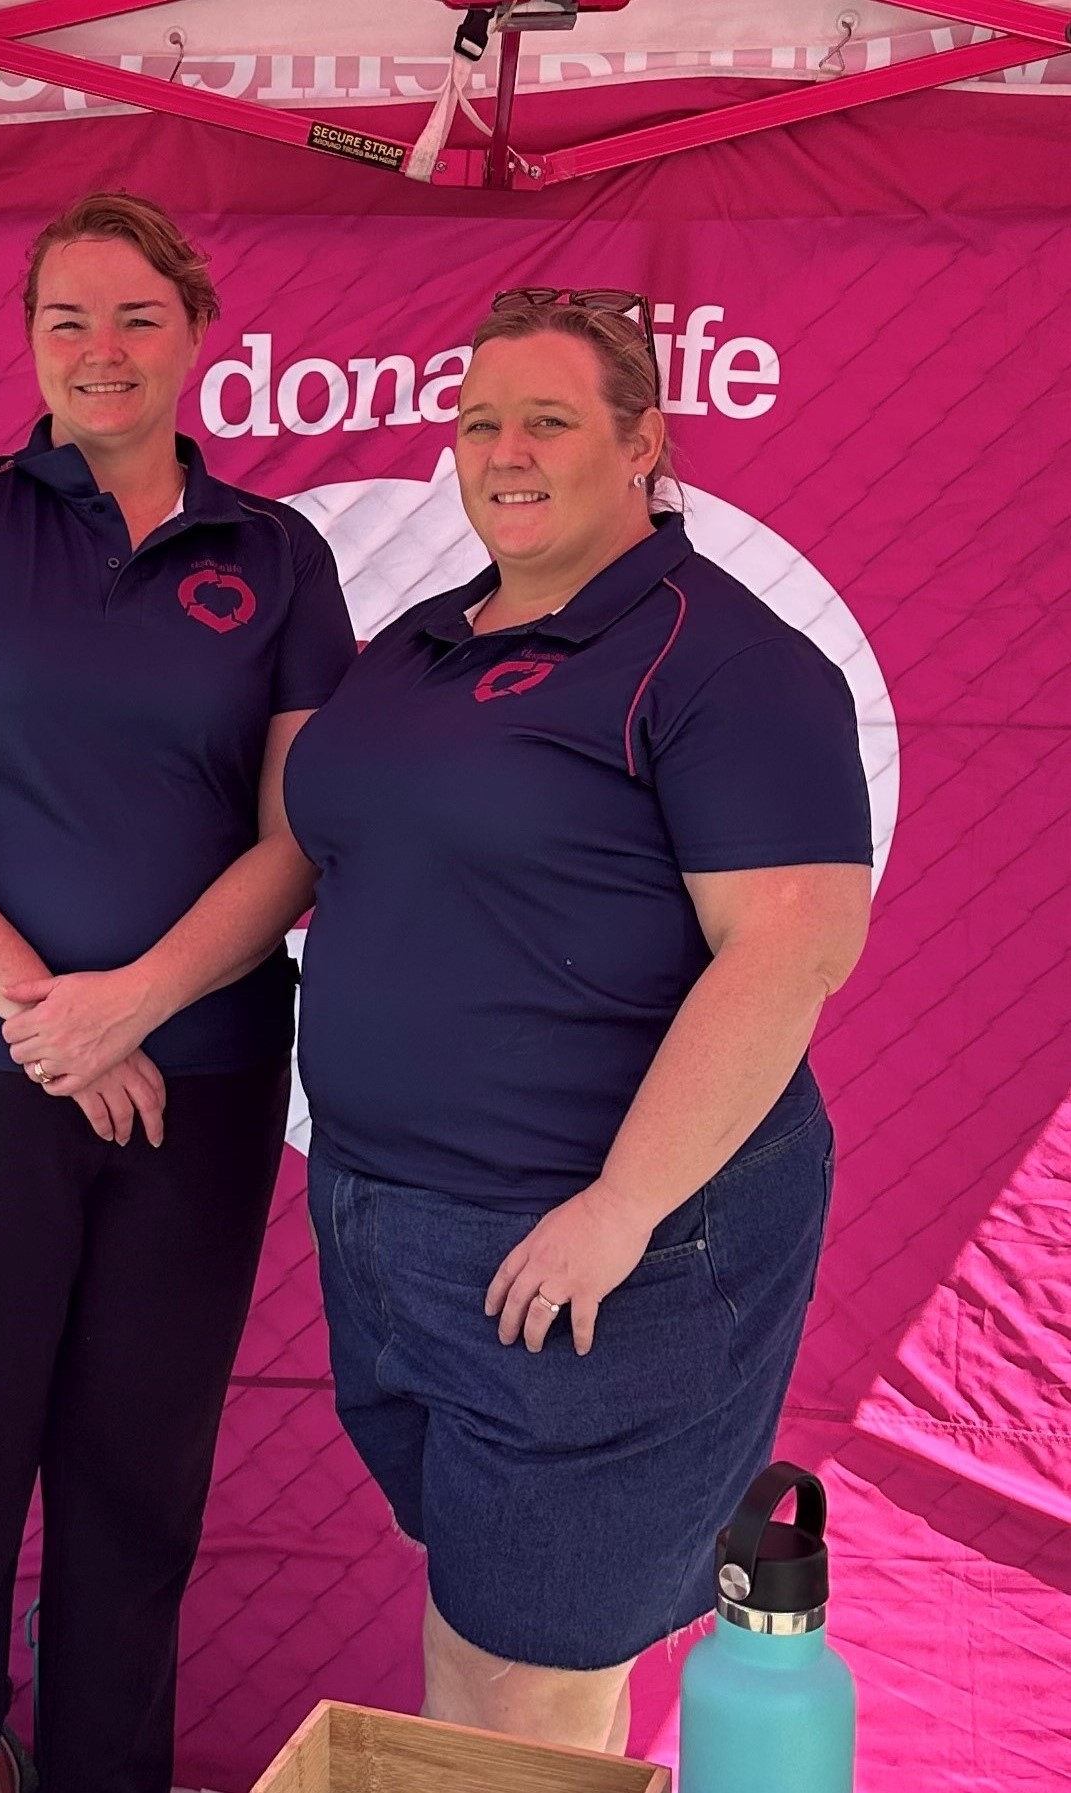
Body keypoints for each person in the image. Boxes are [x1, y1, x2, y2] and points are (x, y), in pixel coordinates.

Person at [0, 193, 356, 1793]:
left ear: (196, 334)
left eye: (133, 316)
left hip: (191, 1085)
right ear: (29, 342)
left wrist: (133, 1007)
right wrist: (43, 1017)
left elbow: (300, 834)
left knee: (131, 1518)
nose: (99, 349)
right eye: (65, 318)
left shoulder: (275, 554)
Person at [283, 288, 874, 1752]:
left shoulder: (719, 662)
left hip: (600, 1253)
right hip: (392, 1229)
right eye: (478, 421)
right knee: (488, 1634)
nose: (503, 450)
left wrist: (618, 1205)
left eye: (547, 418)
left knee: (525, 1681)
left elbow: (791, 947)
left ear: (643, 444)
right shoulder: (417, 641)